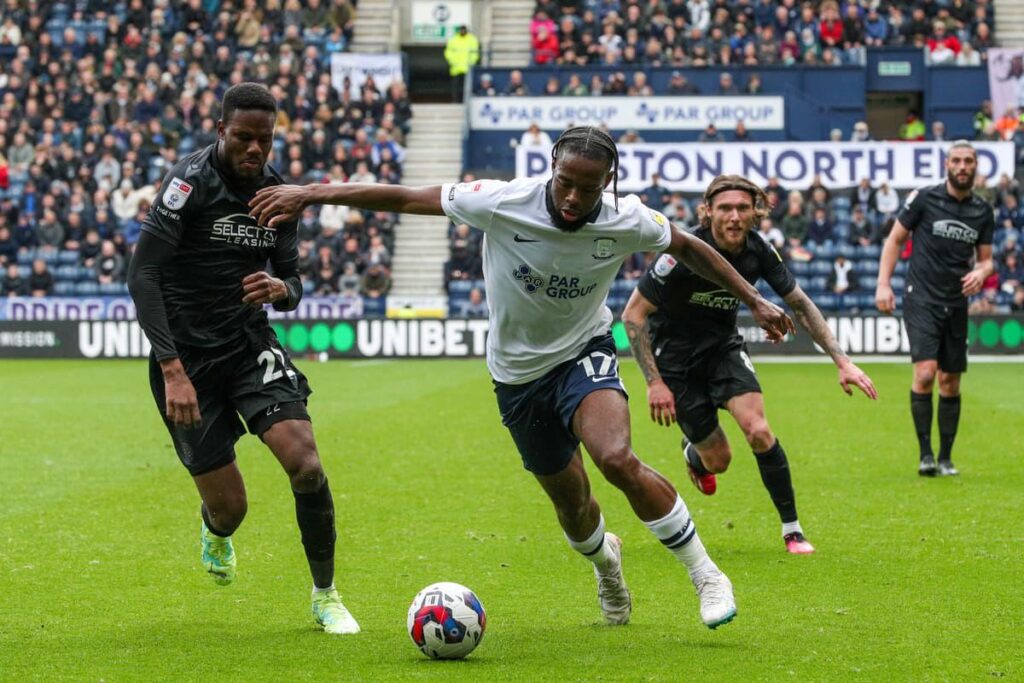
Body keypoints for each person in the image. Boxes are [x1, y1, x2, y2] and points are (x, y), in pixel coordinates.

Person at [249, 126, 796, 630]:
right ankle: (607, 564)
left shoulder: (627, 217)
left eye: (589, 188)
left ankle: (706, 574)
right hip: (516, 377)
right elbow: (402, 196)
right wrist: (309, 193)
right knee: (574, 507)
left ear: (609, 182)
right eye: (566, 183)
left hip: (584, 351)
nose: (574, 199)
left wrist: (754, 300)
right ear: (552, 168)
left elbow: (689, 247)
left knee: (615, 458)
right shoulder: (503, 200)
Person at [126, 83, 360, 635]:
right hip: (186, 362)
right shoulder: (188, 184)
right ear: (221, 131)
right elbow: (144, 273)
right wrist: (171, 368)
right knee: (232, 509)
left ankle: (325, 596)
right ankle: (214, 528)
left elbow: (295, 280)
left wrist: (282, 289)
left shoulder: (278, 195)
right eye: (245, 138)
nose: (256, 150)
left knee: (306, 464)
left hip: (248, 346)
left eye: (266, 140)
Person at [621, 175, 877, 555]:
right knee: (719, 460)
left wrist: (842, 361)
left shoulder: (759, 250)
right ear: (707, 212)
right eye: (725, 208)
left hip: (723, 350)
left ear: (756, 212)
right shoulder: (681, 252)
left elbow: (801, 304)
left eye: (743, 208)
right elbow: (633, 315)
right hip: (675, 364)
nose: (734, 216)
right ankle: (695, 454)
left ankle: (792, 531)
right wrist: (654, 382)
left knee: (758, 430)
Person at [875, 141, 995, 477]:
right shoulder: (925, 198)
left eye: (968, 161)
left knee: (951, 382)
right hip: (922, 297)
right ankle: (925, 454)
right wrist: (883, 283)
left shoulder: (983, 212)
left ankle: (945, 457)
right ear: (947, 164)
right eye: (956, 160)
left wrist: (982, 272)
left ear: (975, 166)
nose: (962, 166)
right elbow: (895, 239)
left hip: (956, 302)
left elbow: (987, 260)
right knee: (926, 372)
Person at [444, 25, 480, 103]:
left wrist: (471, 62)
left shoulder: (472, 39)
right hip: (456, 68)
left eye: (464, 30)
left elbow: (475, 53)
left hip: (467, 68)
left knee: (466, 86)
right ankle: (455, 100)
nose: (462, 32)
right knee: (455, 86)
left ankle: (466, 100)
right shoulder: (453, 39)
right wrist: (452, 61)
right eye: (461, 30)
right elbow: (448, 52)